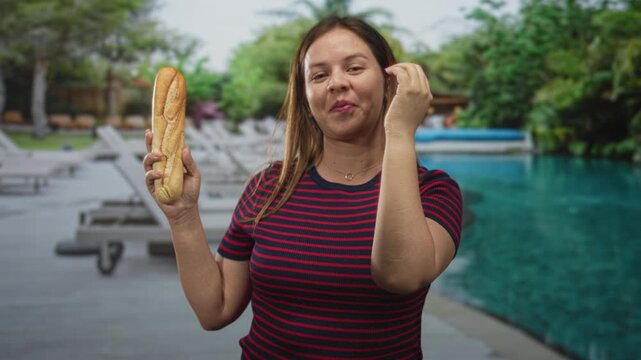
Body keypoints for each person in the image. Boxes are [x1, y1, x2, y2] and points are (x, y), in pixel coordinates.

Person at [143, 16, 462, 360]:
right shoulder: (269, 186)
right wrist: (183, 216)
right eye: (319, 75)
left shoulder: (433, 192)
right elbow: (215, 309)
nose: (336, 83)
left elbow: (402, 275)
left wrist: (400, 131)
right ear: (307, 99)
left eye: (354, 68)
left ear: (389, 84)